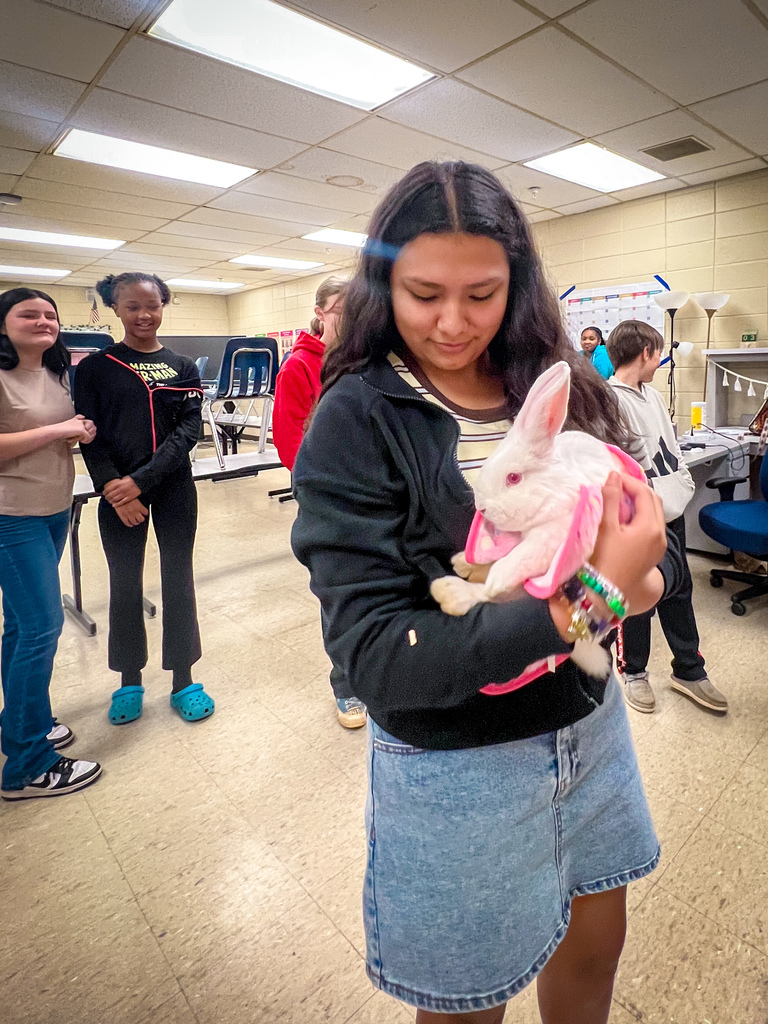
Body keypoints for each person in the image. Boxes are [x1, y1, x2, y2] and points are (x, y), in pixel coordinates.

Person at [291, 161, 687, 1023]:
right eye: (424, 292)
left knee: (594, 951)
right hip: (452, 765)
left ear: (519, 284)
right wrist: (589, 599)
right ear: (381, 283)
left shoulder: (559, 390)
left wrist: (636, 582)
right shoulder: (357, 419)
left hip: (590, 727)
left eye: (483, 293)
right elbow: (378, 661)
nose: (452, 322)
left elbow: (645, 549)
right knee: (470, 998)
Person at [74, 273, 214, 726]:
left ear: (163, 305)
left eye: (152, 305)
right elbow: (89, 437)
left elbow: (188, 431)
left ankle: (183, 680)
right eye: (132, 306)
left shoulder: (183, 366)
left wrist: (142, 481)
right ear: (114, 308)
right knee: (125, 584)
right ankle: (129, 681)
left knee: (178, 579)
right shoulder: (96, 368)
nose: (144, 315)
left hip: (173, 489)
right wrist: (115, 489)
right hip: (117, 496)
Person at [0, 287, 102, 800]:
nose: (42, 321)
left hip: (52, 507)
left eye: (49, 314)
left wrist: (76, 429)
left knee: (20, 627)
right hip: (10, 513)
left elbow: (53, 428)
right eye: (28, 314)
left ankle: (23, 723)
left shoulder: (59, 373)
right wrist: (59, 428)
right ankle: (27, 766)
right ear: (3, 323)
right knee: (42, 626)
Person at [606, 320, 728, 715]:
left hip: (670, 512)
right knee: (637, 601)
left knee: (679, 592)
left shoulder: (653, 397)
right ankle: (634, 672)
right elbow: (611, 471)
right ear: (644, 352)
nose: (659, 361)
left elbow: (670, 449)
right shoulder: (608, 400)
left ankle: (689, 670)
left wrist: (681, 486)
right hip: (637, 522)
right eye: (657, 353)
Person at [273, 276, 366, 729]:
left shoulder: (364, 360)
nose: (351, 312)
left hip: (372, 493)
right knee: (339, 593)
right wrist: (317, 489)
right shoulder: (299, 366)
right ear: (321, 311)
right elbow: (289, 437)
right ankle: (346, 687)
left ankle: (378, 670)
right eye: (342, 306)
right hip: (329, 499)